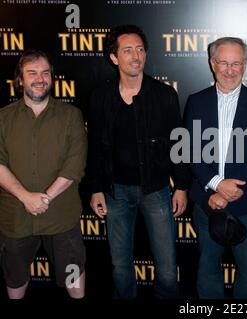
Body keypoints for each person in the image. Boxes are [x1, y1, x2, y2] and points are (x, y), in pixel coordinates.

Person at [86, 25, 190, 299]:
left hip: (156, 190)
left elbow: (178, 145)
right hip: (115, 191)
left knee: (167, 269)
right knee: (120, 266)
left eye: (140, 49)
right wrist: (96, 188)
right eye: (128, 50)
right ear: (114, 57)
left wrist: (181, 186)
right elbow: (95, 147)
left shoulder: (165, 95)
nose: (136, 56)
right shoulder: (100, 97)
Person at [184, 37, 247, 299]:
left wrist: (228, 191)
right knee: (207, 269)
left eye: (236, 63)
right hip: (206, 202)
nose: (230, 70)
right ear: (213, 63)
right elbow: (189, 151)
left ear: (245, 65)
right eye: (224, 63)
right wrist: (215, 187)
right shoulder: (196, 101)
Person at [0, 49, 87, 299]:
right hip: (15, 217)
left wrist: (45, 197)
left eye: (45, 73)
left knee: (73, 272)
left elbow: (75, 165)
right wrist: (26, 197)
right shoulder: (2, 119)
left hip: (61, 215)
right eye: (32, 73)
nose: (40, 78)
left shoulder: (71, 116)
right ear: (20, 80)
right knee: (15, 277)